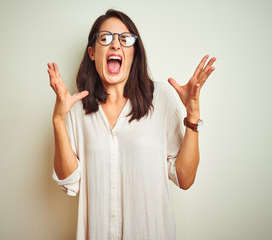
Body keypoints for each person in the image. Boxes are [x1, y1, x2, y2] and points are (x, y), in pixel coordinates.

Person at [47, 9, 215, 240]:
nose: (115, 45)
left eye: (125, 40)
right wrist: (58, 120)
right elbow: (69, 182)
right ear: (92, 52)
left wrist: (193, 116)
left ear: (134, 53)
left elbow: (185, 178)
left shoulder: (161, 98)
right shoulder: (78, 110)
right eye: (105, 38)